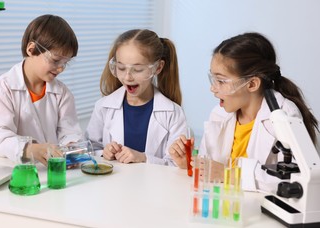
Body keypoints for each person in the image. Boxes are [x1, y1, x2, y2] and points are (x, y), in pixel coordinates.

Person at [169, 32, 318, 192]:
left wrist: (228, 175)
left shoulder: (283, 115)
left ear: (252, 84)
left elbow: (299, 179)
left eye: (221, 81)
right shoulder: (220, 113)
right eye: (213, 79)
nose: (213, 88)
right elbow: (211, 169)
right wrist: (191, 163)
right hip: (224, 206)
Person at [0, 14, 82, 166]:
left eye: (66, 62)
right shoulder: (5, 87)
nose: (61, 68)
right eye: (56, 60)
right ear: (31, 49)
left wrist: (72, 146)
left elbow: (69, 132)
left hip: (52, 169)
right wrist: (29, 149)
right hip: (16, 169)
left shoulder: (62, 93)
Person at [85, 29, 188, 165]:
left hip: (155, 186)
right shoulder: (103, 107)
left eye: (138, 69)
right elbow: (89, 149)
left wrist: (144, 158)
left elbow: (177, 165)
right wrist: (104, 152)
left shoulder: (173, 113)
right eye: (121, 68)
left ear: (157, 68)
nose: (128, 77)